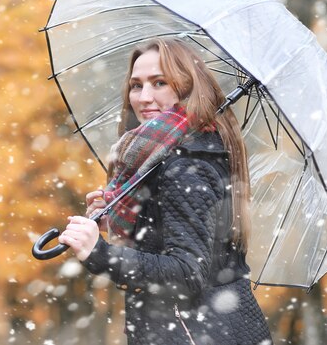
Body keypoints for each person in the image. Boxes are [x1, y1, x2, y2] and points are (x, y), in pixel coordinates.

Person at [58, 38, 272, 345]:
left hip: (197, 333)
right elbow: (191, 243)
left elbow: (187, 274)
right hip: (214, 328)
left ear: (187, 88)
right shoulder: (181, 153)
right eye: (136, 85)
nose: (144, 97)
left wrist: (100, 253)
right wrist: (134, 219)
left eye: (160, 83)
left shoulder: (186, 165)